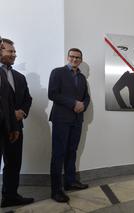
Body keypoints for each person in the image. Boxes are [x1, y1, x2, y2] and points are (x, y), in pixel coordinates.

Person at [48, 48, 90, 202]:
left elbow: (87, 98)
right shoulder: (57, 72)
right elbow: (52, 94)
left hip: (77, 120)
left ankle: (70, 182)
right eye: (72, 57)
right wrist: (73, 103)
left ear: (81, 60)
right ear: (67, 57)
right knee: (58, 154)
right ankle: (56, 190)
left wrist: (83, 105)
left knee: (72, 151)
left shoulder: (82, 77)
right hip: (61, 119)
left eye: (78, 57)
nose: (74, 59)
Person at [0, 38, 33, 207]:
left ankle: (10, 196)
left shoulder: (19, 77)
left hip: (16, 128)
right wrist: (9, 114)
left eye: (14, 51)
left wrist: (22, 112)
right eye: (10, 51)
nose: (14, 54)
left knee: (13, 163)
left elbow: (27, 99)